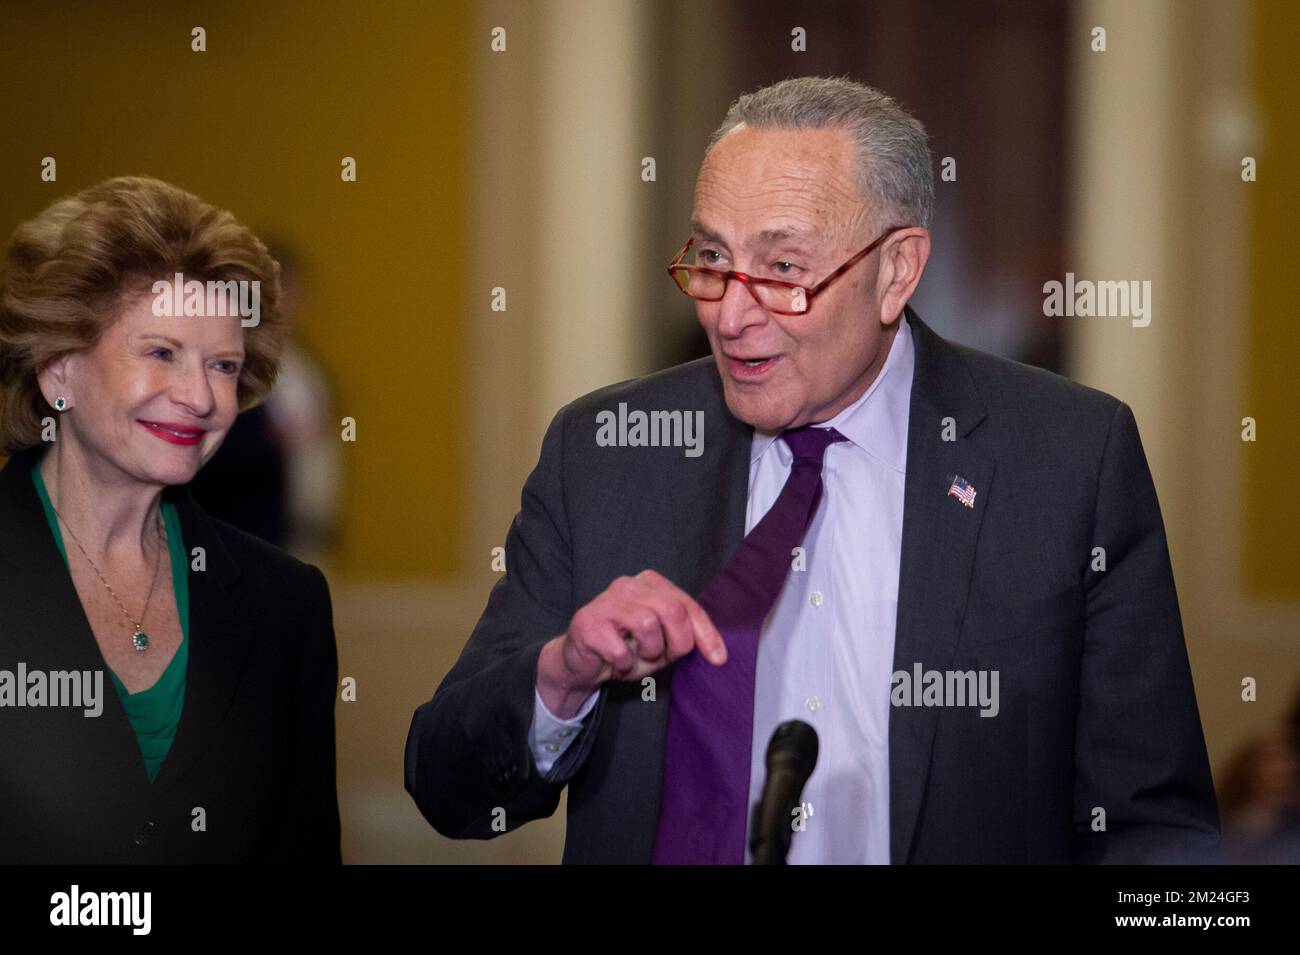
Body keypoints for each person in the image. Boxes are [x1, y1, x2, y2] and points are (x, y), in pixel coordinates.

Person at [404, 76, 1220, 863]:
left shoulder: (1069, 458)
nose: (729, 311)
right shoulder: (604, 451)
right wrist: (563, 675)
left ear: (896, 270)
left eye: (784, 268)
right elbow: (446, 786)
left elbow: (1152, 825)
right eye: (712, 257)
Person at [0, 176, 340, 863]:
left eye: (222, 365)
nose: (200, 396)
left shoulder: (285, 604)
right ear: (58, 369)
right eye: (161, 353)